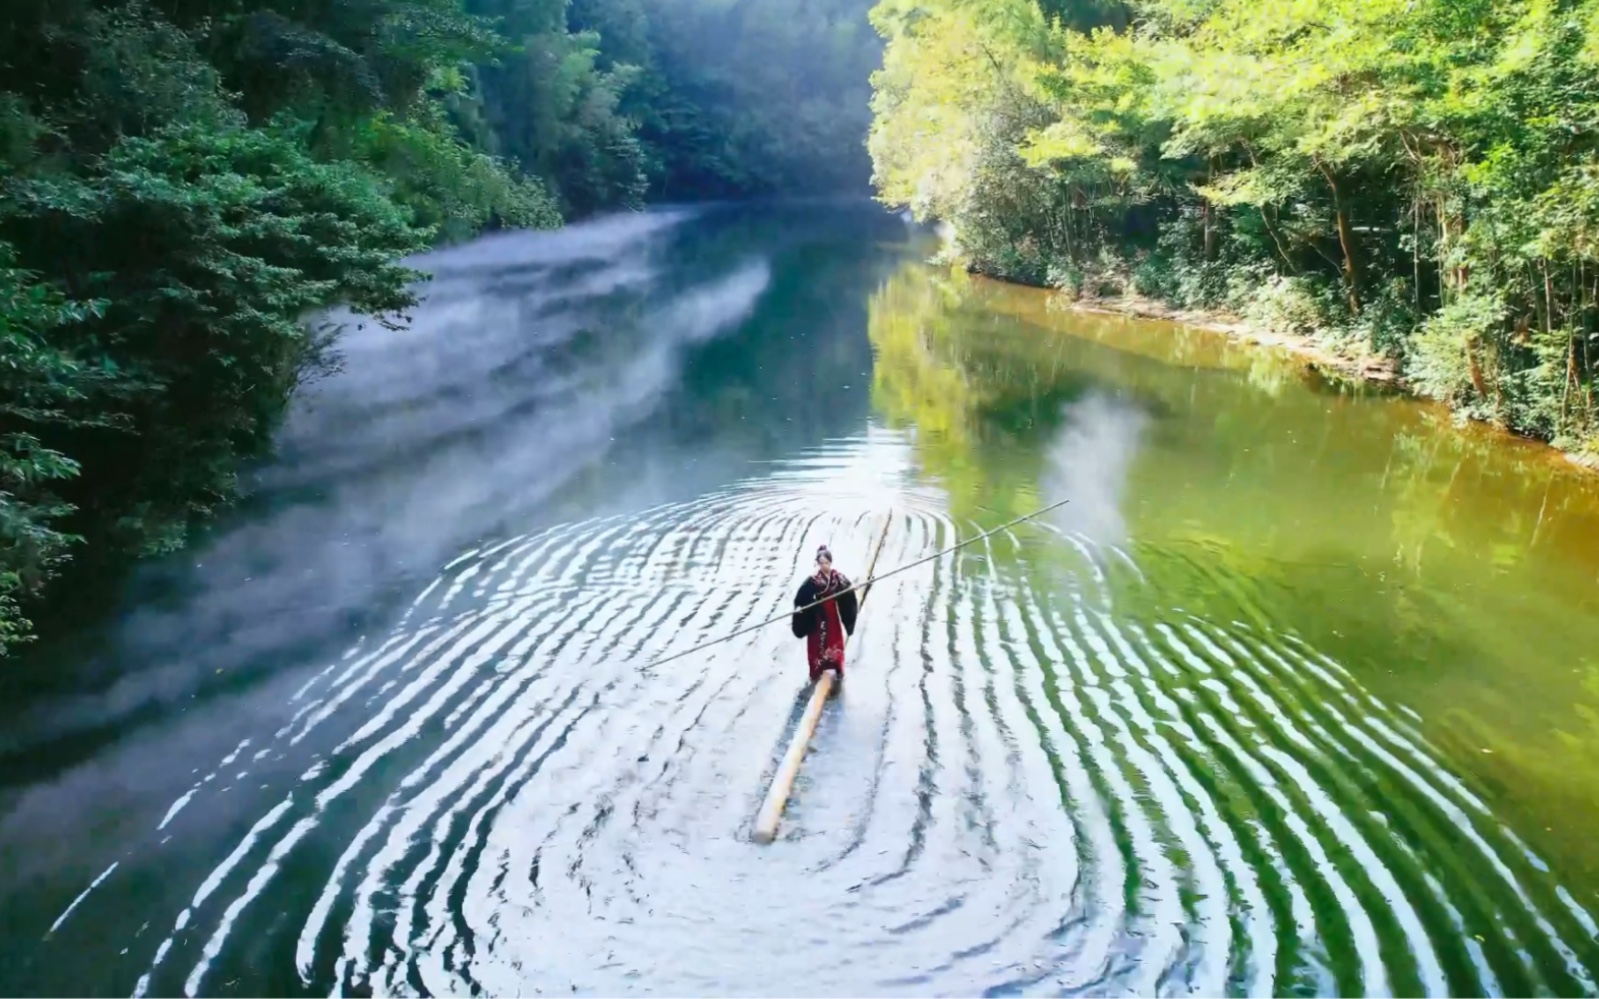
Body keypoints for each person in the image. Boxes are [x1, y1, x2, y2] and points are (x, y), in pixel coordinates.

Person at [790, 544, 858, 684]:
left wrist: (849, 592)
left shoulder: (836, 577)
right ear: (817, 563)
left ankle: (837, 667)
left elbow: (848, 592)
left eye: (826, 563)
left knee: (834, 640)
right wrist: (803, 605)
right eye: (821, 563)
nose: (824, 566)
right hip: (818, 617)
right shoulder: (813, 580)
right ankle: (816, 672)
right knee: (817, 643)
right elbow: (801, 597)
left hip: (832, 615)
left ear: (830, 562)